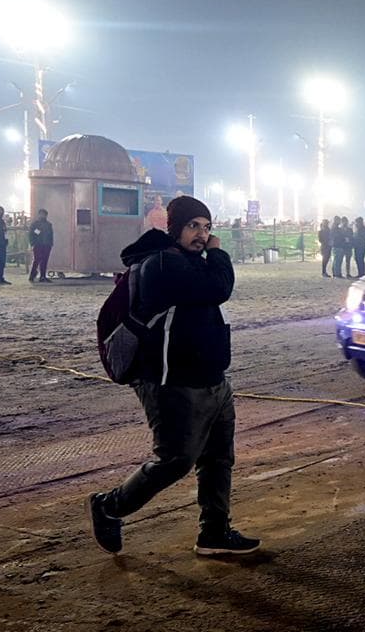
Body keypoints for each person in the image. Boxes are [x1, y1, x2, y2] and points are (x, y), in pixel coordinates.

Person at [86, 195, 259, 557]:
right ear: (175, 227)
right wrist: (219, 252)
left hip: (211, 377)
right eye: (194, 226)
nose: (202, 234)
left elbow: (210, 291)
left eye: (207, 227)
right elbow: (219, 288)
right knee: (175, 460)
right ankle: (109, 506)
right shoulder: (163, 263)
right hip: (171, 381)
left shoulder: (190, 262)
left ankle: (213, 532)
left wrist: (209, 255)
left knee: (217, 458)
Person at [28, 208, 54, 283]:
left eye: (44, 214)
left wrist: (50, 243)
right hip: (38, 245)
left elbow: (51, 234)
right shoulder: (35, 224)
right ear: (39, 214)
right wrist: (33, 243)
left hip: (46, 245)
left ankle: (43, 276)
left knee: (44, 261)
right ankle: (32, 275)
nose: (43, 216)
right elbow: (31, 234)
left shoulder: (49, 224)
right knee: (37, 260)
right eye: (42, 214)